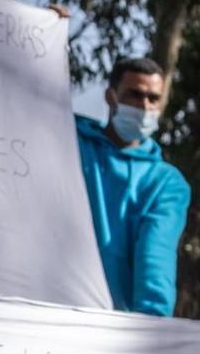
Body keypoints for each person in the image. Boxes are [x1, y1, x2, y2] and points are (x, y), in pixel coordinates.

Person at [75, 58, 191, 315]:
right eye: (134, 95)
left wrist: (151, 336)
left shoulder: (167, 184)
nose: (144, 106)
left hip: (109, 328)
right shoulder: (70, 142)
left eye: (153, 98)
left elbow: (155, 262)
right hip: (41, 310)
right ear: (110, 96)